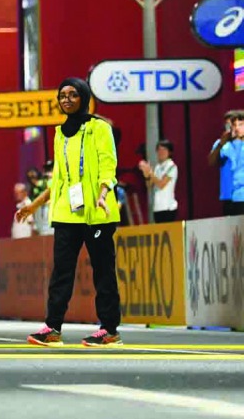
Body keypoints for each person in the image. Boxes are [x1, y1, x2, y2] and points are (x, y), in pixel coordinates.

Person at [16, 78, 122, 348]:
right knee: (61, 271)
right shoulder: (60, 132)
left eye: (73, 95)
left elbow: (108, 167)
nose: (66, 100)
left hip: (97, 212)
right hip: (66, 213)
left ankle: (109, 330)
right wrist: (34, 205)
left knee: (103, 271)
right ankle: (52, 328)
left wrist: (102, 194)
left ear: (84, 98)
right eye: (62, 95)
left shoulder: (99, 128)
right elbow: (59, 180)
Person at [209, 110, 244, 216]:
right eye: (229, 125)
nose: (233, 128)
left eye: (238, 125)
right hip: (228, 195)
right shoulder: (222, 145)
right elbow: (212, 161)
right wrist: (221, 143)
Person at [140, 140, 179, 223]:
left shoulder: (172, 166)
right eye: (159, 150)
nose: (161, 152)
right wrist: (146, 175)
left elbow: (161, 184)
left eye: (164, 150)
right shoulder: (157, 167)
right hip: (157, 208)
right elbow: (149, 185)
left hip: (169, 208)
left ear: (169, 152)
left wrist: (150, 172)